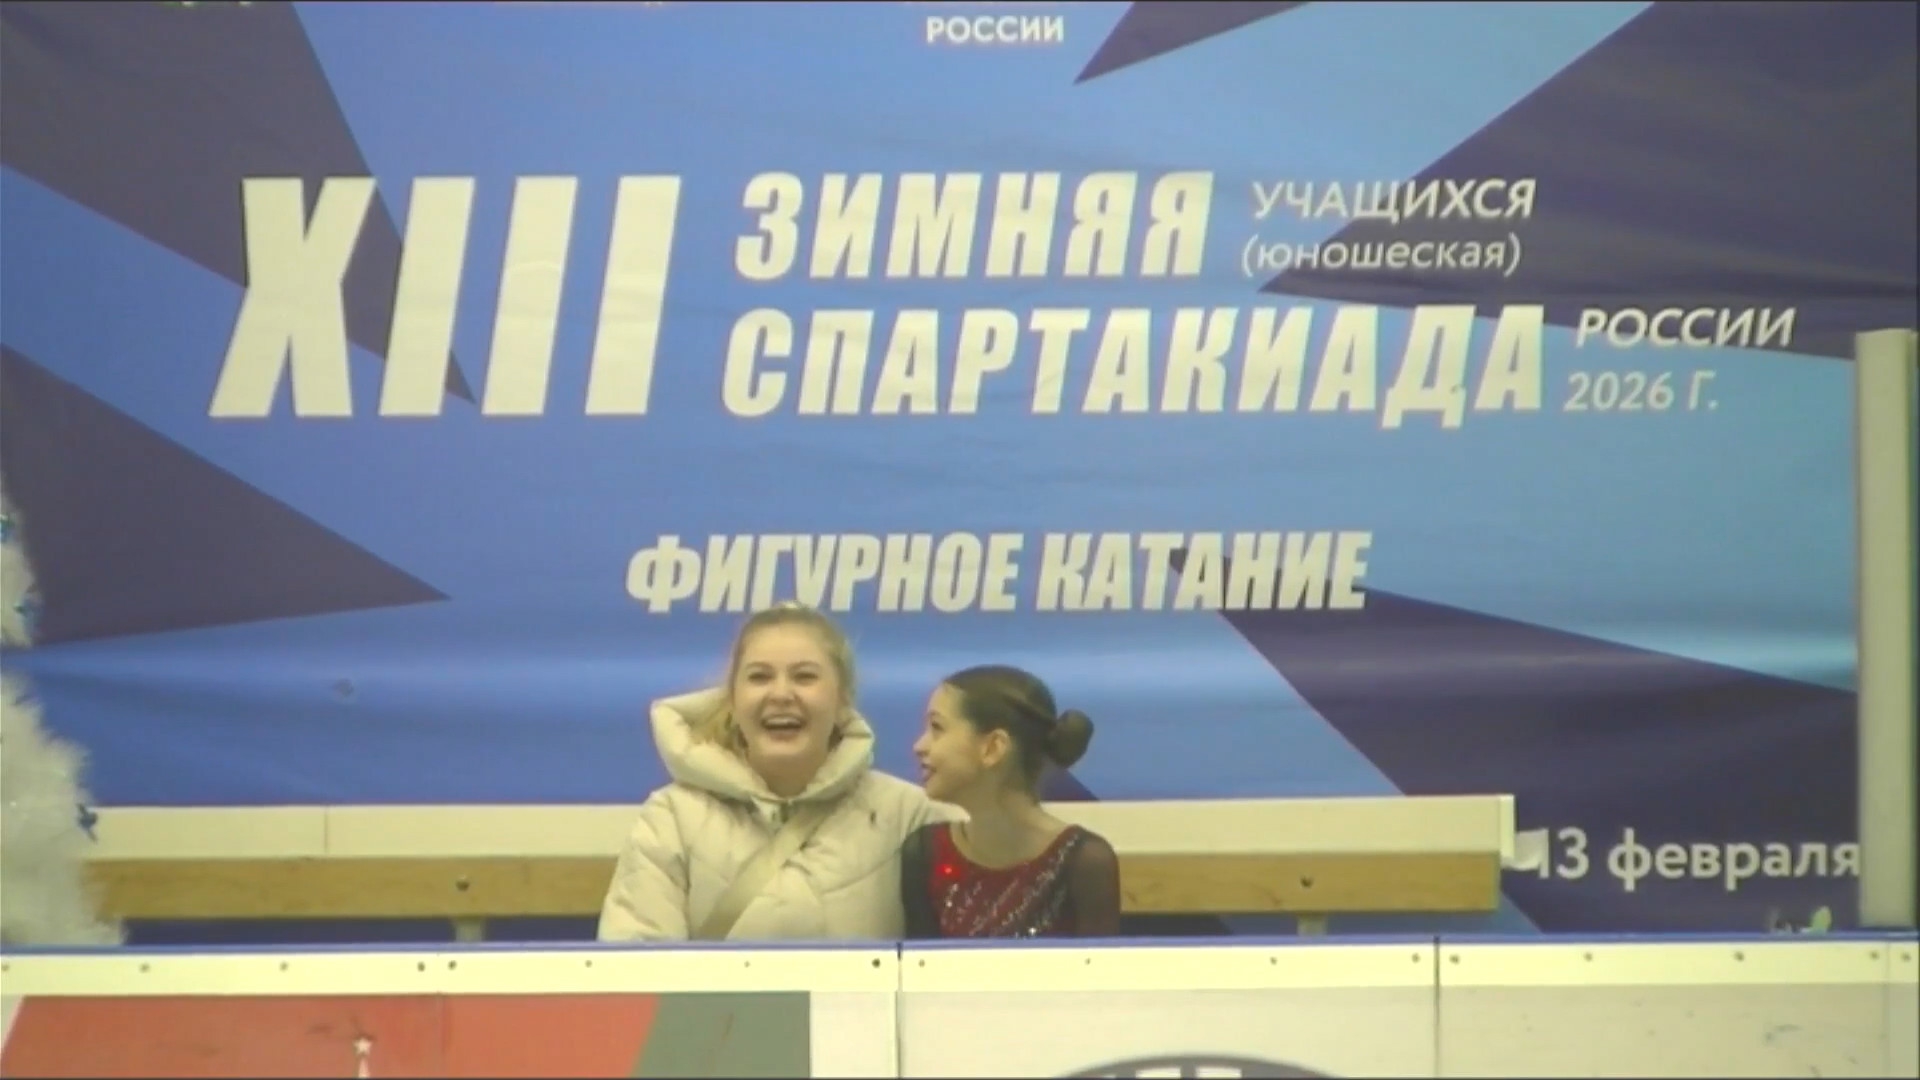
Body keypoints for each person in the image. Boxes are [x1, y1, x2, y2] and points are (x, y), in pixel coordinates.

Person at [597, 602, 955, 942]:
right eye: (759, 677)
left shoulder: (909, 817)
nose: (781, 694)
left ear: (842, 699)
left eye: (804, 677)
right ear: (733, 700)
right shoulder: (671, 819)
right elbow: (635, 969)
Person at [900, 664, 1122, 938]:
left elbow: (1098, 964)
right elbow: (922, 963)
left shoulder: (1084, 863)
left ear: (993, 747)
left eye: (937, 727)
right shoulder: (925, 852)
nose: (919, 746)